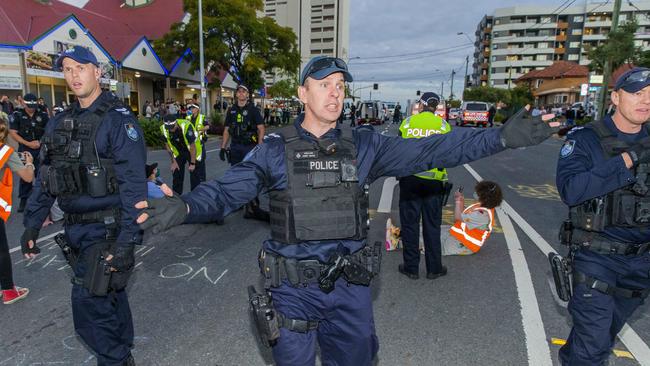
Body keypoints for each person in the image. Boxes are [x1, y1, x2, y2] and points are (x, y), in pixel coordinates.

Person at [135, 55, 558, 366]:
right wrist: (187, 204)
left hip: (350, 290)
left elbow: (434, 148)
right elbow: (229, 191)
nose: (335, 92)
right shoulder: (274, 150)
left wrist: (500, 138)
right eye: (324, 84)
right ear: (303, 93)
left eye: (340, 85)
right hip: (292, 293)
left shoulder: (367, 146)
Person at [21, 45, 145, 366]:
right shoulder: (59, 122)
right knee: (110, 297)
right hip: (75, 229)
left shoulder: (119, 121)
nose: (74, 75)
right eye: (67, 69)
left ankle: (116, 359)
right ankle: (123, 353)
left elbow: (134, 187)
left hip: (107, 230)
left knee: (88, 305)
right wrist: (32, 224)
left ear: (97, 71)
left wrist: (128, 241)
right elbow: (47, 178)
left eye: (81, 67)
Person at [555, 67, 650, 365]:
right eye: (637, 93)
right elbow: (571, 190)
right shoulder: (585, 139)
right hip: (597, 258)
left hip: (641, 263)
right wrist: (629, 158)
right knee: (593, 348)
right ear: (615, 96)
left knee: (599, 338)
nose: (645, 100)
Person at [396, 92, 452, 280]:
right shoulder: (444, 126)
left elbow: (398, 149)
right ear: (436, 107)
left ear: (420, 105)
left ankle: (411, 268)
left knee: (410, 225)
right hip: (434, 183)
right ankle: (434, 269)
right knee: (432, 225)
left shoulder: (408, 123)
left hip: (410, 180)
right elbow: (450, 153)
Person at [0, 112, 35, 304]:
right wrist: (30, 164)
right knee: (1, 250)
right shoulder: (6, 152)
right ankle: (8, 290)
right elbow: (27, 178)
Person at [220, 84, 268, 221]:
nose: (241, 94)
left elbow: (261, 128)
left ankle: (252, 205)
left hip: (249, 147)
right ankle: (239, 202)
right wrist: (223, 147)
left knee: (250, 176)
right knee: (235, 175)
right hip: (235, 147)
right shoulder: (231, 110)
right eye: (239, 92)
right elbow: (227, 130)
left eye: (244, 92)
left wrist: (259, 146)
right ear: (236, 95)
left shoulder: (253, 110)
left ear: (247, 95)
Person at [9, 92, 48, 212]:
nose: (32, 110)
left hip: (40, 147)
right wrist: (28, 144)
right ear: (24, 104)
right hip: (25, 149)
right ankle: (24, 200)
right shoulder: (17, 114)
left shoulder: (42, 114)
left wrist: (40, 142)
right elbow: (13, 132)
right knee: (25, 175)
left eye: (34, 107)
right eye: (29, 107)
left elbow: (49, 130)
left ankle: (42, 200)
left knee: (42, 174)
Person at [442, 181, 502, 256]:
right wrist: (461, 201)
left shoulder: (482, 215)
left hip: (465, 244)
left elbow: (458, 217)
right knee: (430, 231)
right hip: (459, 234)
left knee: (431, 244)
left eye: (478, 192)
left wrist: (458, 201)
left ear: (483, 197)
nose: (475, 192)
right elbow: (464, 215)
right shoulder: (482, 206)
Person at [160, 113, 200, 194]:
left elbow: (192, 146)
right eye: (168, 128)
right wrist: (173, 162)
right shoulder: (164, 129)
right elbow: (168, 146)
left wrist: (192, 163)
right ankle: (177, 197)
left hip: (191, 151)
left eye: (172, 127)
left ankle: (196, 196)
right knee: (176, 172)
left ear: (176, 123)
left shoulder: (186, 126)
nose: (170, 130)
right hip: (179, 152)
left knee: (194, 174)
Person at [187, 103, 208, 184]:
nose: (192, 109)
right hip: (191, 143)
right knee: (192, 161)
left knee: (201, 163)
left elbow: (207, 126)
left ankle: (202, 182)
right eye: (191, 108)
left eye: (193, 108)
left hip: (200, 142)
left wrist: (200, 130)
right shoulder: (188, 118)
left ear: (197, 109)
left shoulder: (202, 117)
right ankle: (194, 183)